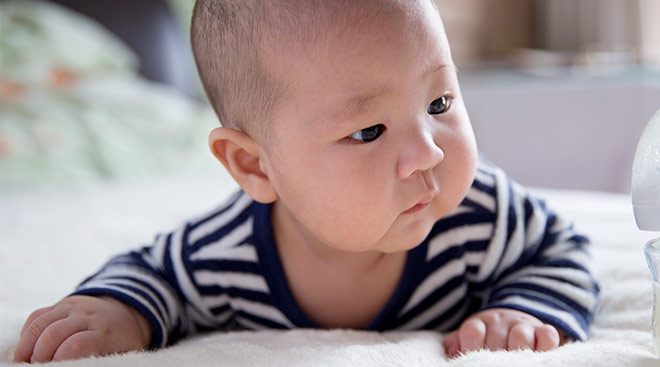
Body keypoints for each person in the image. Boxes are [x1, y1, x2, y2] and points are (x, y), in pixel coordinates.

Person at [13, 0, 600, 363]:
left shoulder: (481, 213)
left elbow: (560, 250)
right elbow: (152, 274)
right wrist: (119, 310)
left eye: (440, 100)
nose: (426, 152)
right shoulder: (224, 255)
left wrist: (526, 307)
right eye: (370, 131)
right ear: (253, 166)